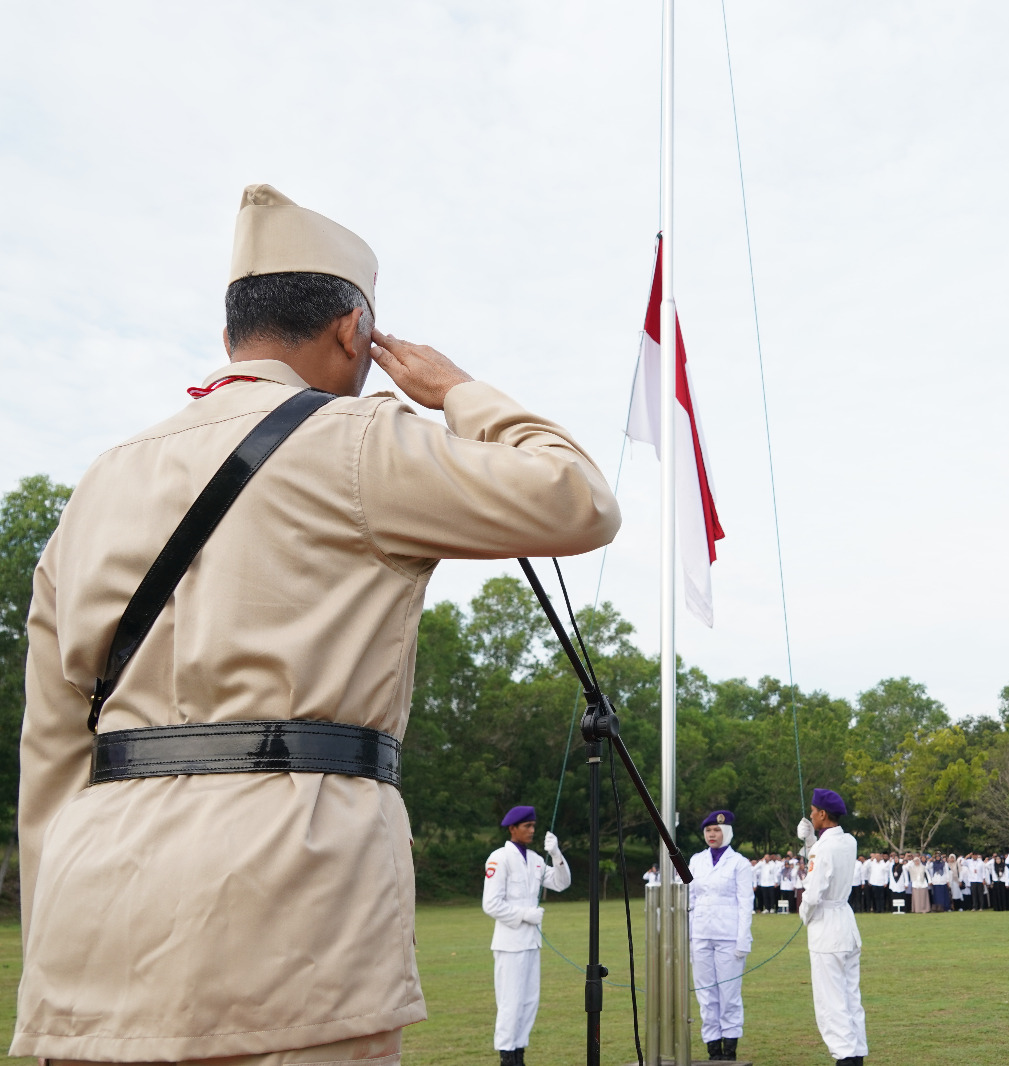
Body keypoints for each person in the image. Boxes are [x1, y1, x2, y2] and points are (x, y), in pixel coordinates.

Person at [9, 185, 620, 1066]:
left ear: (230, 337)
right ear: (352, 332)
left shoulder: (99, 483)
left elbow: (53, 745)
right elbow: (580, 500)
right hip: (292, 906)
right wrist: (459, 392)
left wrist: (55, 939)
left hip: (94, 915)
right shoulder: (363, 440)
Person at [483, 806, 572, 1066]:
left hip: (531, 942)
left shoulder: (534, 859)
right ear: (513, 829)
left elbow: (561, 882)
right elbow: (491, 904)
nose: (532, 830)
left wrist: (556, 854)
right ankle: (507, 1056)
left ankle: (519, 1053)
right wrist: (524, 914)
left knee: (529, 1002)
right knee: (510, 1003)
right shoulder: (499, 858)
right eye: (527, 826)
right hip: (510, 943)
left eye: (533, 826)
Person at [797, 789, 869, 1066]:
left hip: (827, 927)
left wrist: (804, 914)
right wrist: (811, 840)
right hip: (845, 923)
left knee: (831, 1003)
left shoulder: (824, 848)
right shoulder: (848, 841)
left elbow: (813, 893)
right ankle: (856, 1055)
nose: (811, 815)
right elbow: (828, 856)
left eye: (814, 811)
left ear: (823, 814)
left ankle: (845, 1058)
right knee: (851, 999)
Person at [688, 810, 755, 1062]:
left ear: (726, 832)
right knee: (706, 993)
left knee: (728, 994)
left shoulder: (739, 863)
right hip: (701, 934)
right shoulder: (696, 861)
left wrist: (743, 939)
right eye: (708, 831)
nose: (711, 835)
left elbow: (745, 903)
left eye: (716, 830)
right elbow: (690, 899)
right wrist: (689, 937)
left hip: (729, 936)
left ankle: (730, 1048)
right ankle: (712, 1048)